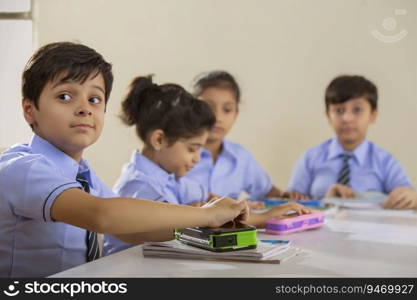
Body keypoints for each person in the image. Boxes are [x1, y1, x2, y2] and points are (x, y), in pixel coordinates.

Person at [0, 42, 248, 277]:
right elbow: (102, 215)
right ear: (29, 109)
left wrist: (208, 225)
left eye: (94, 99)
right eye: (65, 96)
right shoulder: (23, 168)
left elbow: (137, 229)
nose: (84, 108)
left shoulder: (84, 176)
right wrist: (206, 215)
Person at [105, 76, 310, 254]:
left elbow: (212, 206)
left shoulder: (173, 179)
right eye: (192, 149)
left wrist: (261, 215)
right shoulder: (139, 186)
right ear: (159, 140)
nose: (197, 158)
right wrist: (259, 217)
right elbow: (183, 227)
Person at [288, 75, 417, 210]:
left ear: (373, 114)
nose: (347, 118)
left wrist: (410, 197)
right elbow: (291, 204)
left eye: (357, 110)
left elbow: (408, 196)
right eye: (339, 110)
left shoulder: (385, 161)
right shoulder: (310, 159)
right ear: (328, 115)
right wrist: (325, 202)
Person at [186, 70, 308, 208]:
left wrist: (287, 197)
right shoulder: (178, 154)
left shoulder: (241, 157)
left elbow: (267, 191)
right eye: (208, 107)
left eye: (227, 110)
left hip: (230, 229)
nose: (217, 118)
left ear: (236, 114)